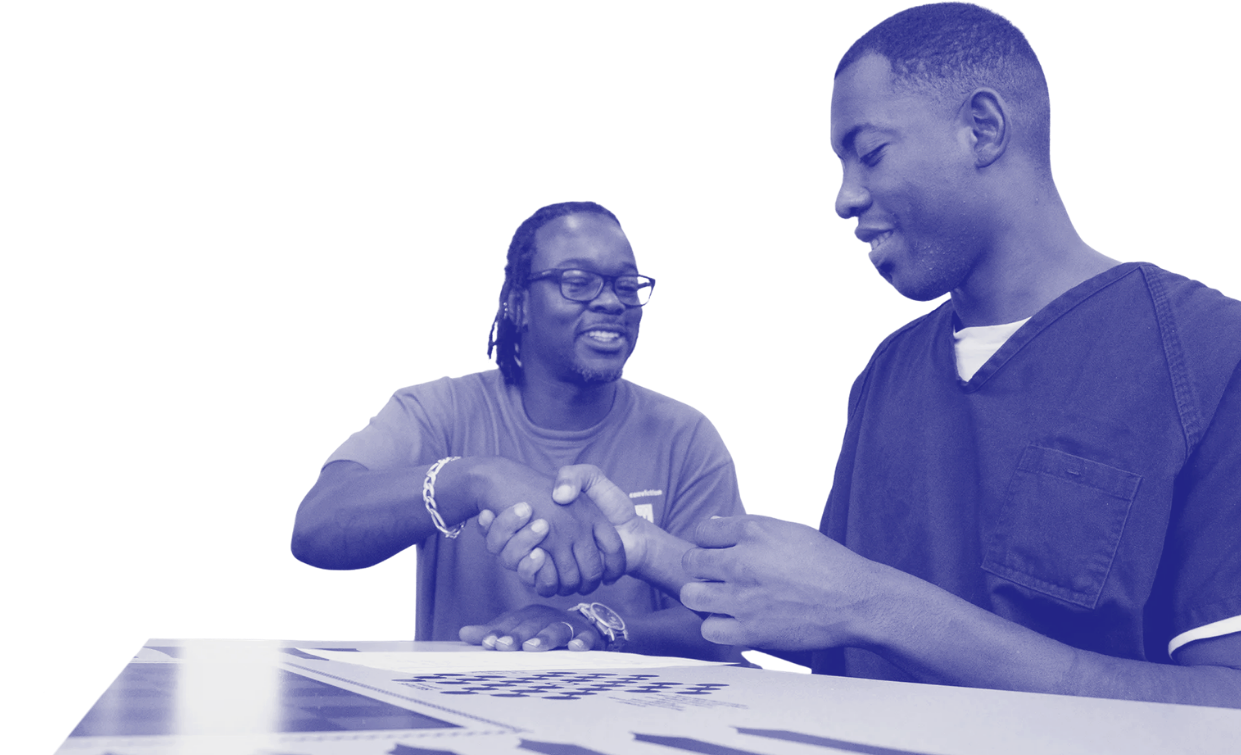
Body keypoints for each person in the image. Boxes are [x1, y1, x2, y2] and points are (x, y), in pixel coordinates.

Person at [481, 4, 1240, 707]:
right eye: (839, 169)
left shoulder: (1204, 356)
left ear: (981, 128)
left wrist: (875, 604)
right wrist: (640, 551)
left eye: (869, 154)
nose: (845, 198)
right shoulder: (886, 372)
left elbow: (1224, 704)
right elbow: (825, 619)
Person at [289, 200, 749, 662]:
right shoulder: (440, 410)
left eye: (627, 286)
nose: (611, 301)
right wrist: (475, 479)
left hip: (636, 718)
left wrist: (596, 626)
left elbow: (729, 620)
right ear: (519, 303)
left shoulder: (685, 436)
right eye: (578, 282)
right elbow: (314, 528)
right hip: (460, 713)